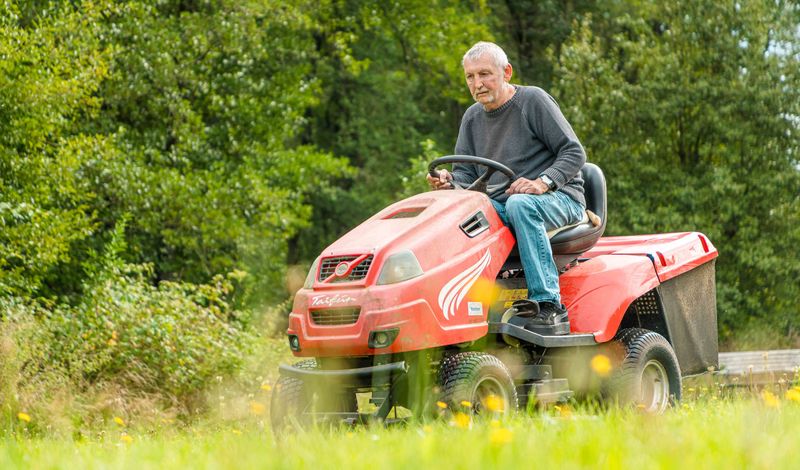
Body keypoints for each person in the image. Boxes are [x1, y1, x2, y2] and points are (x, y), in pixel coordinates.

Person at [426, 41, 586, 335]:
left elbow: (574, 153)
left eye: (485, 74)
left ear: (507, 72)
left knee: (519, 204)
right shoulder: (472, 117)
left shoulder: (533, 102)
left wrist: (542, 182)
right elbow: (466, 177)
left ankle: (548, 305)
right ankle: (463, 307)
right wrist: (450, 182)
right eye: (470, 77)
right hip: (505, 203)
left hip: (561, 198)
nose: (478, 84)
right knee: (460, 215)